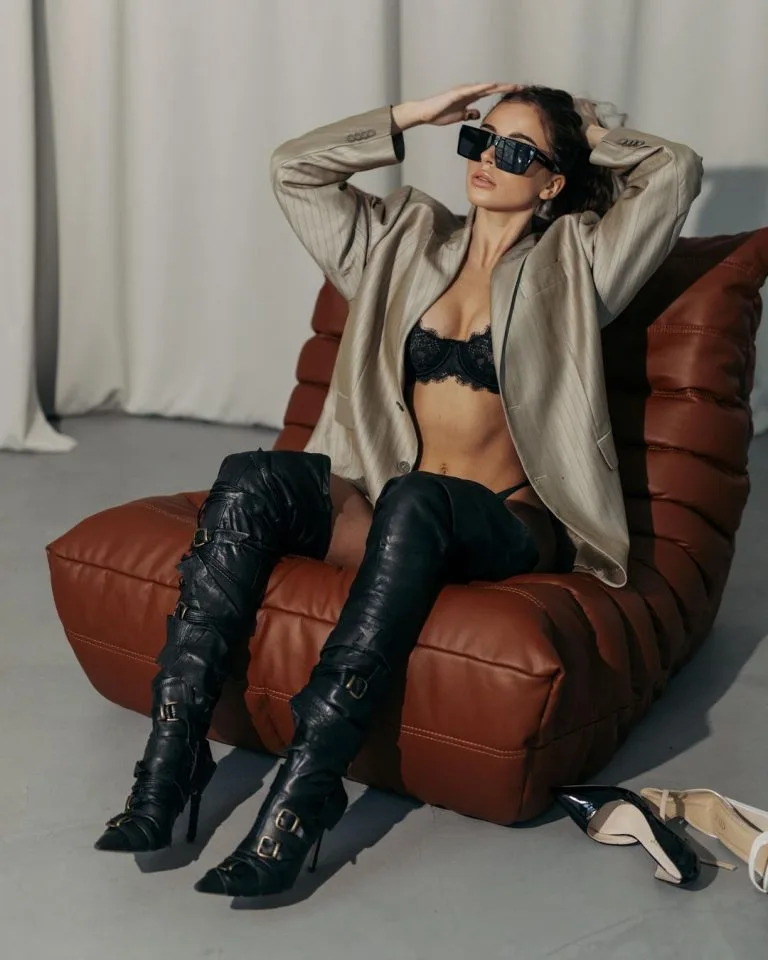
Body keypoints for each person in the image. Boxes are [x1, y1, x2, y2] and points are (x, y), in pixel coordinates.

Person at [94, 82, 704, 898]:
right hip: (399, 513)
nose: (488, 159)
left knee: (417, 501)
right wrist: (406, 119)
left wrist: (592, 135)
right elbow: (293, 170)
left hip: (510, 522)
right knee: (253, 476)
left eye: (516, 152)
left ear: (553, 180)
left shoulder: (580, 261)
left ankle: (303, 795)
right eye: (480, 141)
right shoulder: (405, 240)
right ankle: (172, 759)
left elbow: (676, 173)